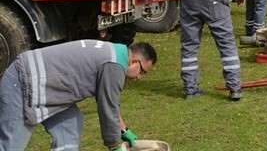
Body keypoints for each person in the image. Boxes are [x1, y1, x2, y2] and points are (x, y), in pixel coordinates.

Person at [0, 40, 156, 151]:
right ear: (134, 61)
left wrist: (124, 130)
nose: (139, 77)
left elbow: (110, 103)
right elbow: (108, 108)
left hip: (47, 88)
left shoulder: (115, 53)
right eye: (142, 71)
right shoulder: (114, 66)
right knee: (11, 145)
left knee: (70, 126)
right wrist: (115, 145)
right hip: (23, 82)